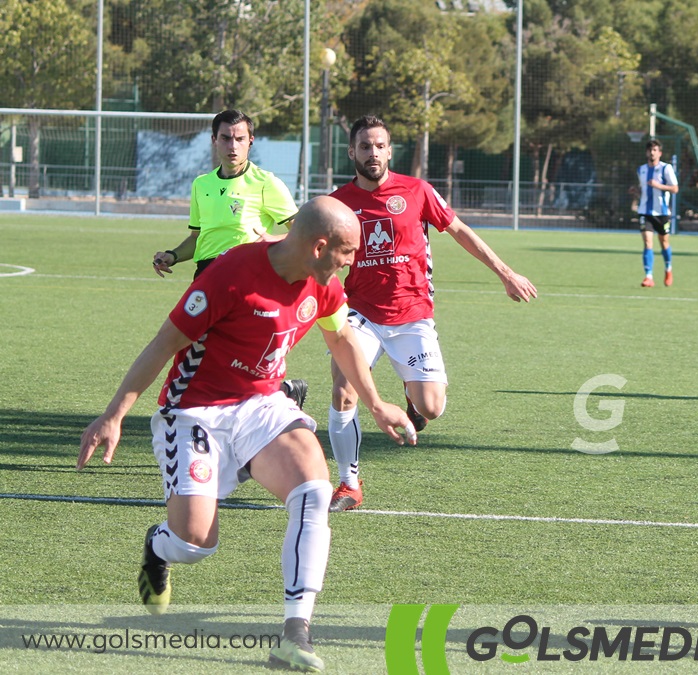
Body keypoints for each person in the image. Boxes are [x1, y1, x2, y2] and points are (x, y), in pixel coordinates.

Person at [79, 197, 418, 673]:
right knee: (196, 542)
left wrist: (378, 403)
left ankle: (294, 633)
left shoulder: (324, 285)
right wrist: (114, 414)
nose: (350, 262)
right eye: (345, 252)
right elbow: (164, 343)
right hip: (194, 413)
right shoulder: (230, 275)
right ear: (319, 246)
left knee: (313, 492)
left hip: (261, 405)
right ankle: (158, 546)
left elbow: (341, 340)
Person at [324, 115, 538, 512]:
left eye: (380, 145)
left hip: (412, 315)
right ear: (351, 151)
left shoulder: (418, 191)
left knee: (432, 408)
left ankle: (412, 397)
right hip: (360, 315)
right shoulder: (336, 204)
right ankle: (349, 484)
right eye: (365, 146)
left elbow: (460, 231)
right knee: (342, 391)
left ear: (390, 150)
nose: (373, 153)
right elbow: (301, 242)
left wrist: (506, 273)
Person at [150, 109, 309, 408]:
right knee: (211, 351)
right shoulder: (202, 185)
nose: (232, 146)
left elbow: (302, 231)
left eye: (239, 138)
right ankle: (284, 393)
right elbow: (198, 239)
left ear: (251, 141)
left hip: (247, 280)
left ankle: (177, 407)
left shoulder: (266, 183)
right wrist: (172, 255)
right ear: (214, 141)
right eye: (225, 138)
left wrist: (270, 241)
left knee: (196, 344)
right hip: (207, 277)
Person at [630, 138, 679, 287]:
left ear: (660, 153)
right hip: (645, 211)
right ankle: (649, 276)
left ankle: (668, 269)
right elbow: (644, 190)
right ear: (646, 152)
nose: (652, 152)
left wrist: (659, 185)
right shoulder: (641, 170)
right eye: (650, 150)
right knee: (647, 242)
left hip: (662, 212)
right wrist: (636, 192)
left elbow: (675, 188)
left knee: (664, 243)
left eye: (655, 150)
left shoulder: (666, 169)